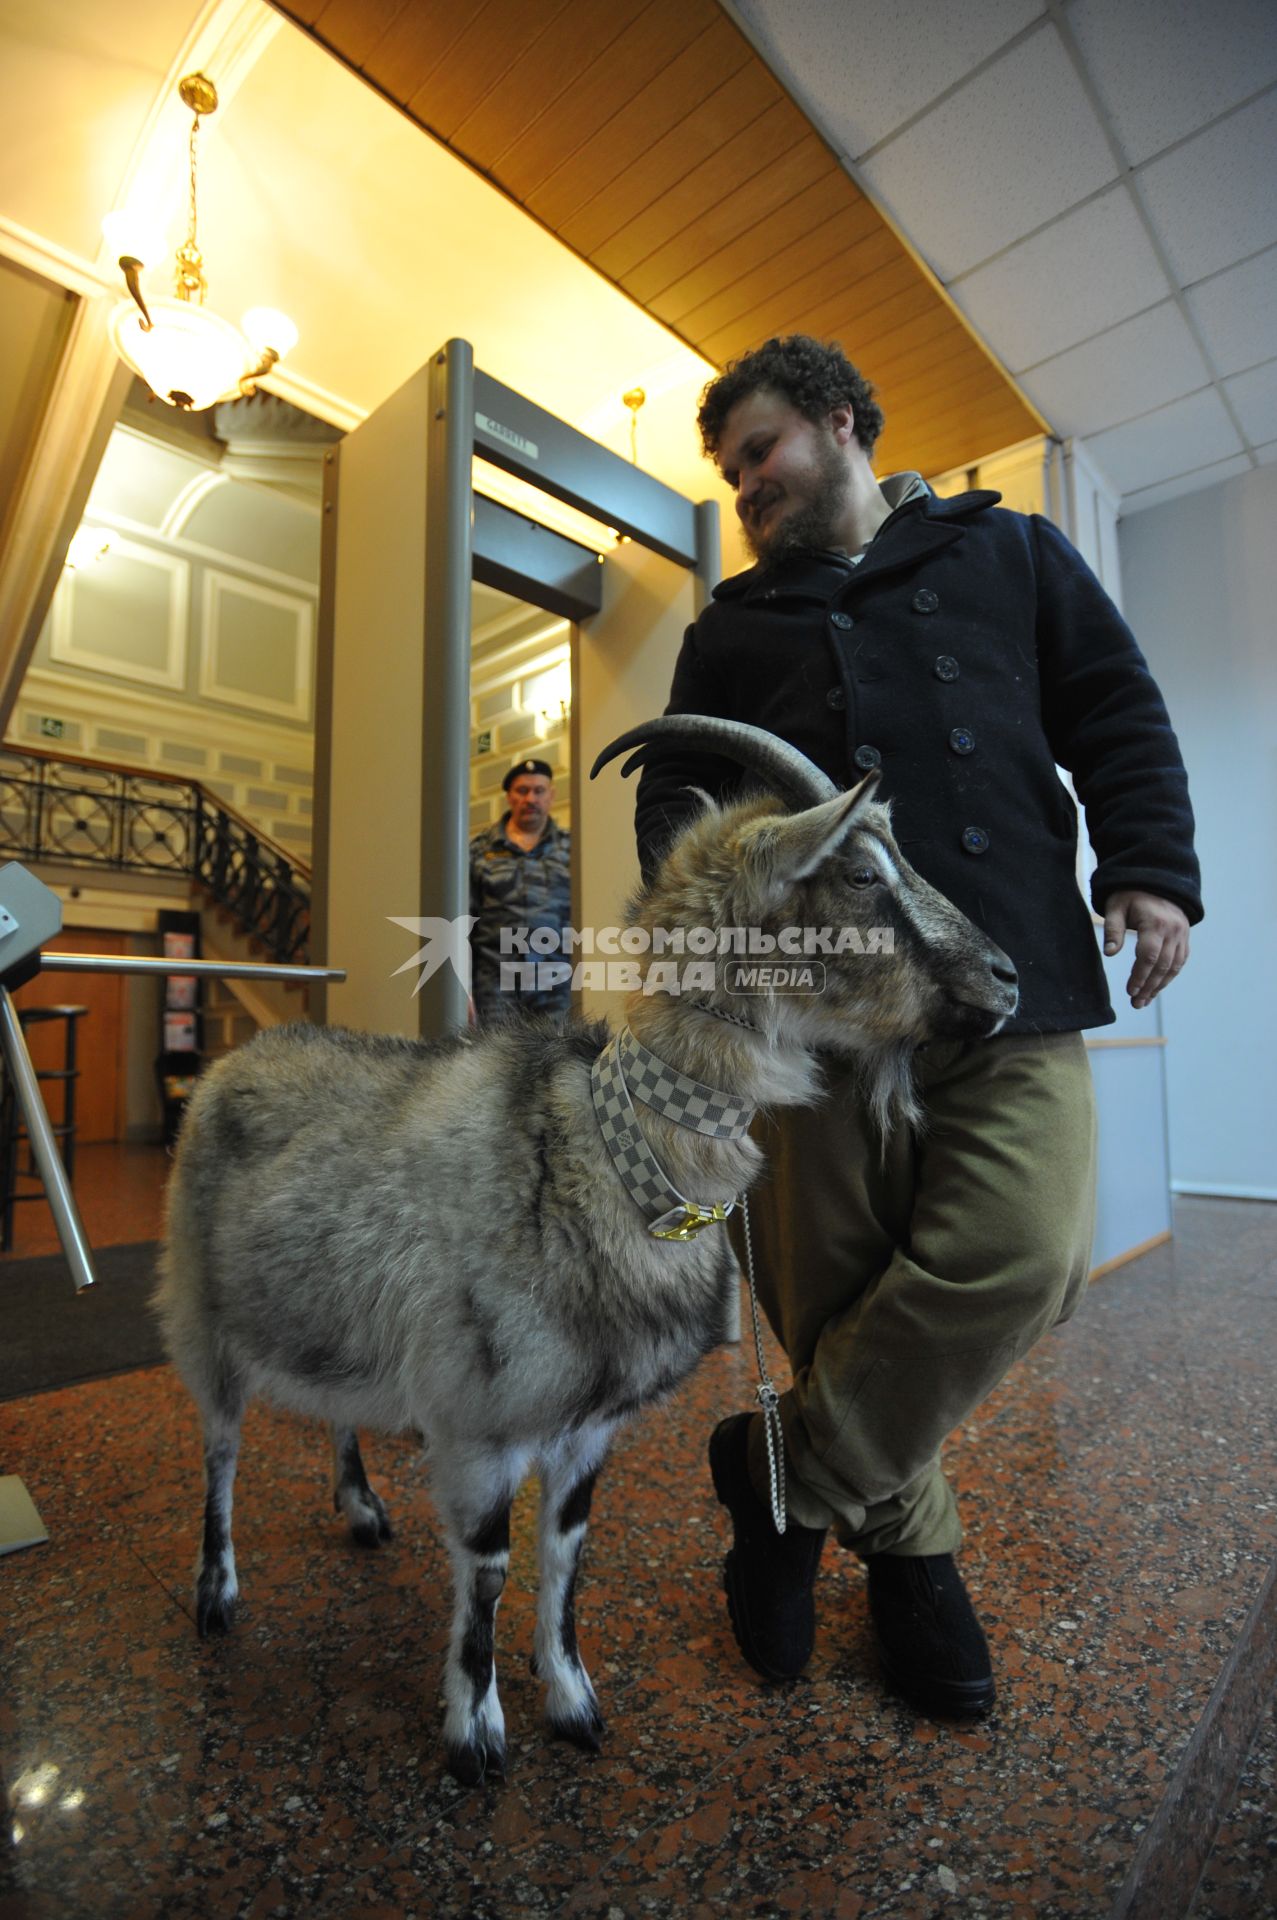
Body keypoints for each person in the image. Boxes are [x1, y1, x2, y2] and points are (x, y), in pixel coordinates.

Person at [633, 335, 1202, 1718]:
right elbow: (673, 808)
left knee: (1024, 1253)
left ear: (839, 420)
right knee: (830, 1298)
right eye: (726, 473)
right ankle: (914, 1561)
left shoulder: (1006, 555)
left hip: (1009, 975)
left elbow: (1112, 705)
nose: (744, 487)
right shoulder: (729, 629)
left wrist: (1147, 865)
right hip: (815, 1010)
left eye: (759, 449)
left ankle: (785, 1489)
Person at [469, 757, 572, 1026]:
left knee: (556, 1060)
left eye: (539, 791)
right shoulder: (480, 850)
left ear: (551, 795)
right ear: (509, 797)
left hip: (555, 983)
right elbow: (463, 922)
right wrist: (463, 988)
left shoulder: (572, 848)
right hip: (495, 986)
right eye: (522, 791)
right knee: (495, 1063)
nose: (530, 799)